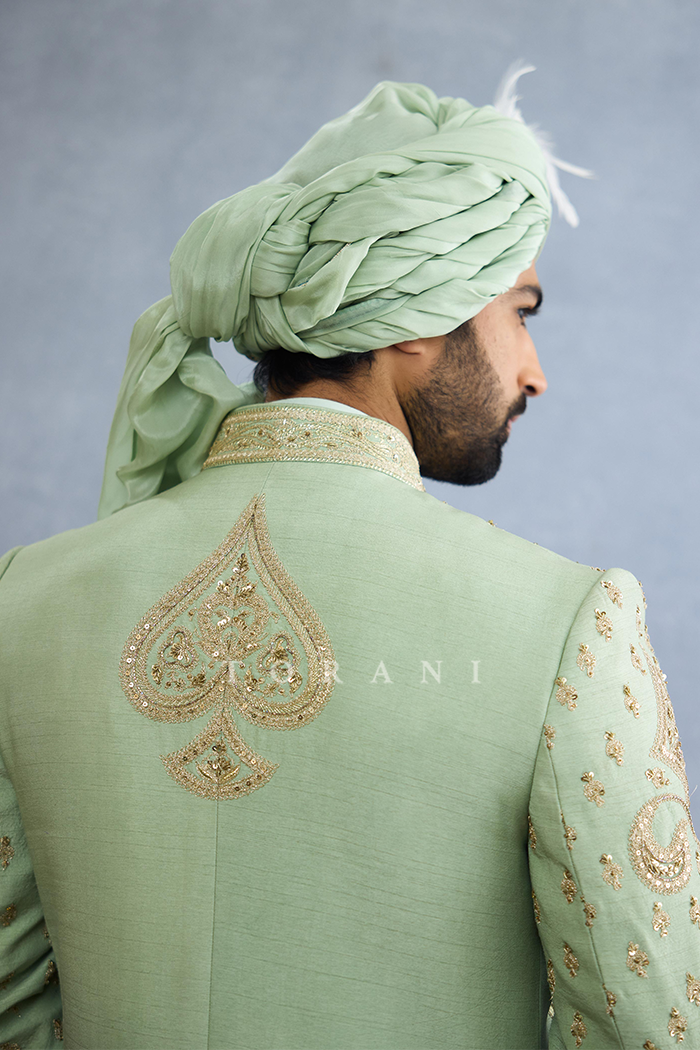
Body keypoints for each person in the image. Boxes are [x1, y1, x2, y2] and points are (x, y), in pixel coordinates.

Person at [0, 71, 698, 1050]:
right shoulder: (567, 625)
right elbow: (646, 1026)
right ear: (418, 319)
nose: (533, 371)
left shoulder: (25, 599)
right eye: (522, 312)